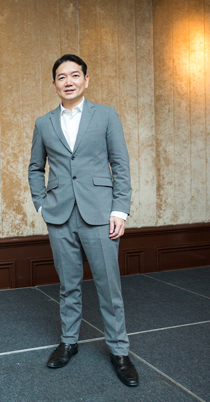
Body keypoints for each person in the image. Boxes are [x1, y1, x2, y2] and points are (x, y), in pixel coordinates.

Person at [28, 54, 139, 387]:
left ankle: (119, 351)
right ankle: (68, 342)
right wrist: (42, 206)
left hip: (100, 214)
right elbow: (35, 168)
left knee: (109, 286)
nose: (69, 82)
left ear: (86, 80)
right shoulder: (43, 123)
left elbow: (121, 164)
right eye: (62, 77)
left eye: (75, 75)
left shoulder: (106, 115)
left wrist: (119, 210)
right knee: (68, 284)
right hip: (60, 215)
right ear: (54, 84)